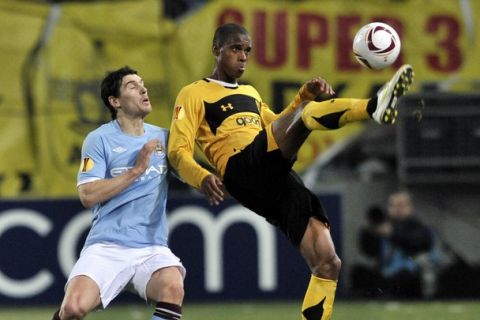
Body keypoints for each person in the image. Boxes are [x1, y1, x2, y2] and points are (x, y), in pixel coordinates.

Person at [168, 23, 414, 320]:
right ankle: (373, 107)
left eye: (247, 50)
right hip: (240, 168)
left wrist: (301, 98)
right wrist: (201, 176)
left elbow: (277, 124)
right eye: (236, 49)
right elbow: (176, 151)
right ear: (216, 50)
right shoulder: (193, 93)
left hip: (272, 177)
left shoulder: (250, 92)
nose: (243, 56)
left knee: (327, 262)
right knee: (307, 116)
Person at [52, 66, 185, 320]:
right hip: (107, 246)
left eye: (142, 84)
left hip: (151, 248)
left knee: (173, 286)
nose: (143, 89)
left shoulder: (165, 138)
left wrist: (212, 178)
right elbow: (87, 195)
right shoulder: (99, 139)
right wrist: (136, 171)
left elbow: (190, 173)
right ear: (115, 102)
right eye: (132, 86)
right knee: (72, 308)